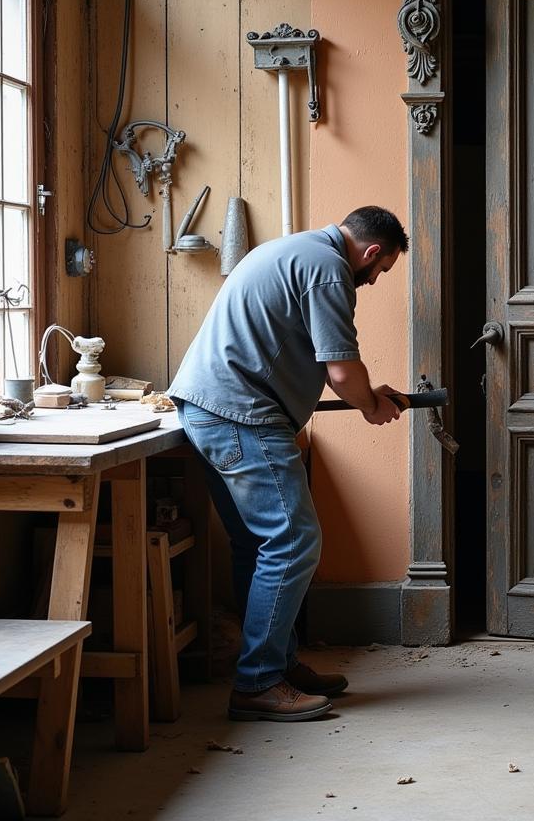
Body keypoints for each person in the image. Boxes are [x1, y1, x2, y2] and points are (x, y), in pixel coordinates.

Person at [168, 206, 408, 721]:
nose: (372, 279)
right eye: (380, 270)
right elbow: (341, 372)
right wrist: (370, 406)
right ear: (370, 253)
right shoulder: (327, 269)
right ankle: (258, 683)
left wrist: (370, 394)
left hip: (208, 407)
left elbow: (320, 362)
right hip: (243, 415)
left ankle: (275, 664)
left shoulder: (294, 250)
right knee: (293, 541)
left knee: (257, 546)